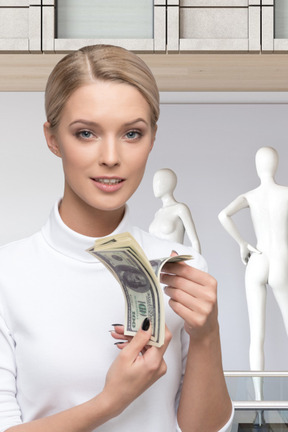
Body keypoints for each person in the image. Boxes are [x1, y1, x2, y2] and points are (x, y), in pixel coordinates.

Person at [0, 44, 233, 432]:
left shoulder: (182, 268)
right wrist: (110, 402)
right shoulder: (7, 274)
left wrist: (207, 334)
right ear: (53, 138)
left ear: (152, 138)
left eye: (131, 133)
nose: (111, 156)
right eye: (86, 133)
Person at [218, 146, 288, 402]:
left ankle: (258, 403)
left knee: (255, 336)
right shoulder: (286, 194)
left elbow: (223, 215)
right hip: (281, 260)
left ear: (258, 167)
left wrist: (242, 243)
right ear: (276, 165)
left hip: (258, 260)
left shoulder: (250, 196)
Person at [149, 168, 201, 252]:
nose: (155, 186)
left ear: (169, 183)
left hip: (173, 262)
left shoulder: (180, 209)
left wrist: (198, 264)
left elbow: (195, 242)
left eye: (159, 181)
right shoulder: (157, 214)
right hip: (154, 263)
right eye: (154, 182)